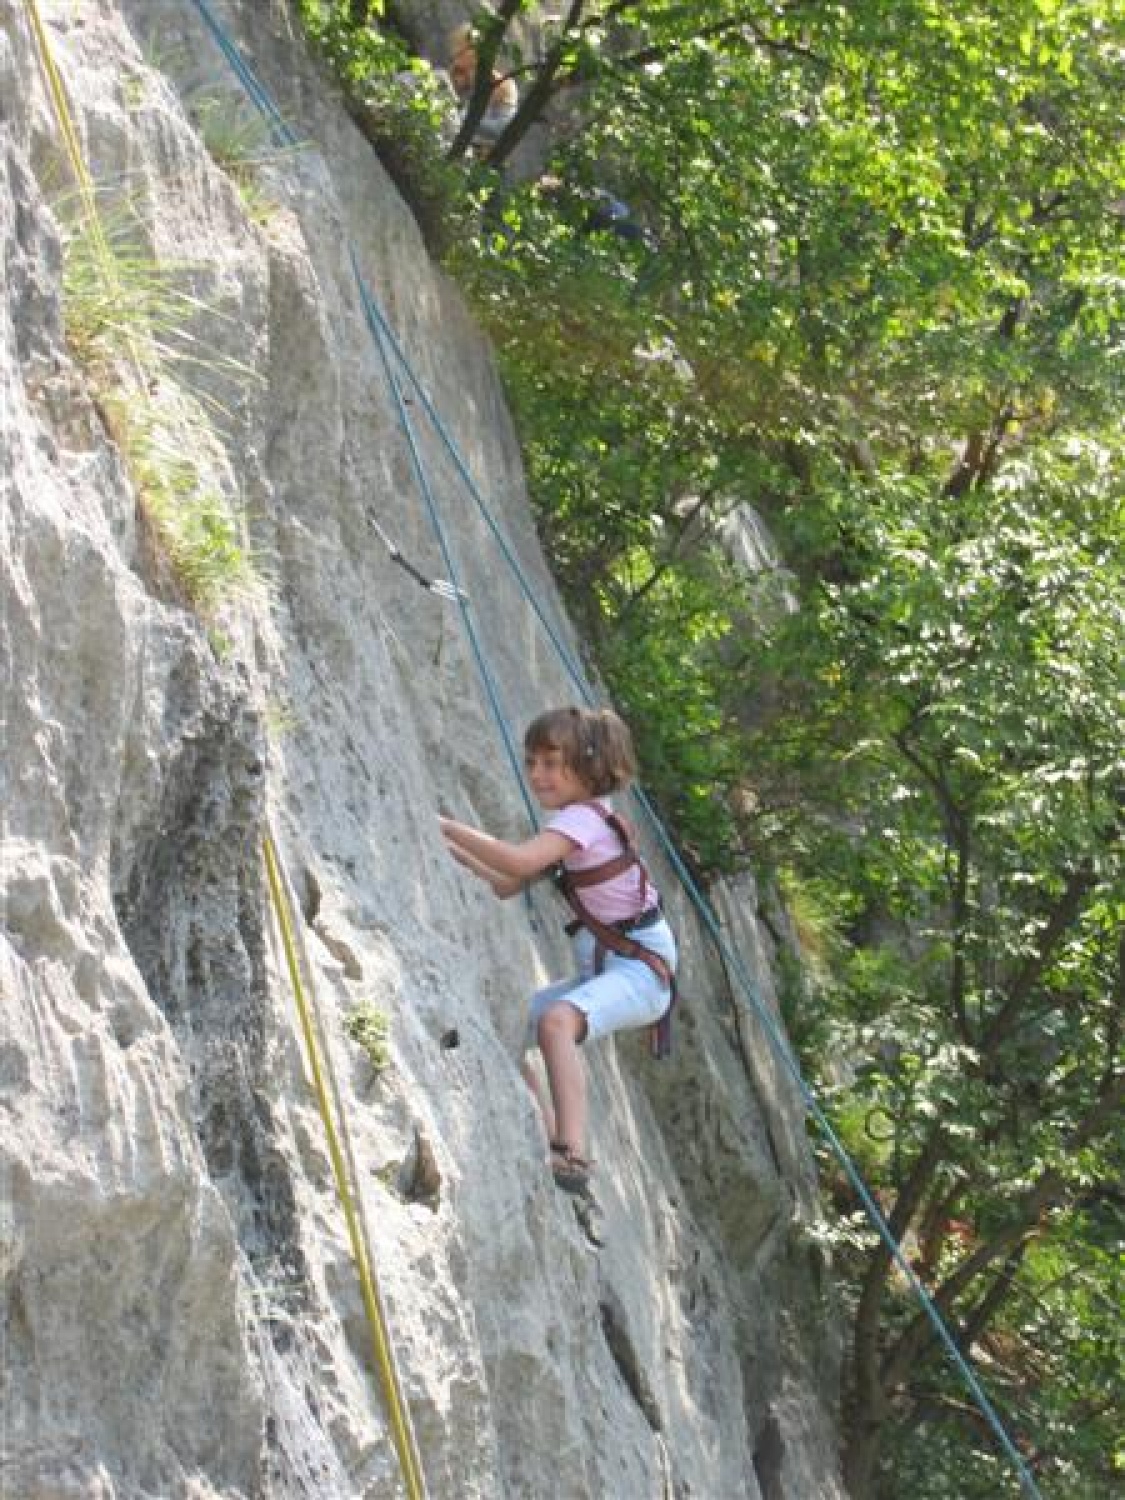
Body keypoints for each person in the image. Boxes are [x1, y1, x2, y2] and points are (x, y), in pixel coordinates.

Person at [439, 707, 677, 1196]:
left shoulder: (582, 820)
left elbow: (517, 861)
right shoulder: (578, 825)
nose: (536, 774)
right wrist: (453, 851)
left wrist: (442, 825)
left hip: (641, 971)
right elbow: (508, 884)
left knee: (556, 1023)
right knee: (510, 1027)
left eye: (551, 763)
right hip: (615, 968)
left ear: (587, 766)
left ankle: (573, 1153)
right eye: (532, 762)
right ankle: (551, 1138)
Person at [446, 22, 518, 153]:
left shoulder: (500, 83)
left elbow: (502, 128)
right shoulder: (457, 75)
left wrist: (461, 117)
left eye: (459, 53)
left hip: (481, 143)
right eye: (455, 55)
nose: (455, 60)